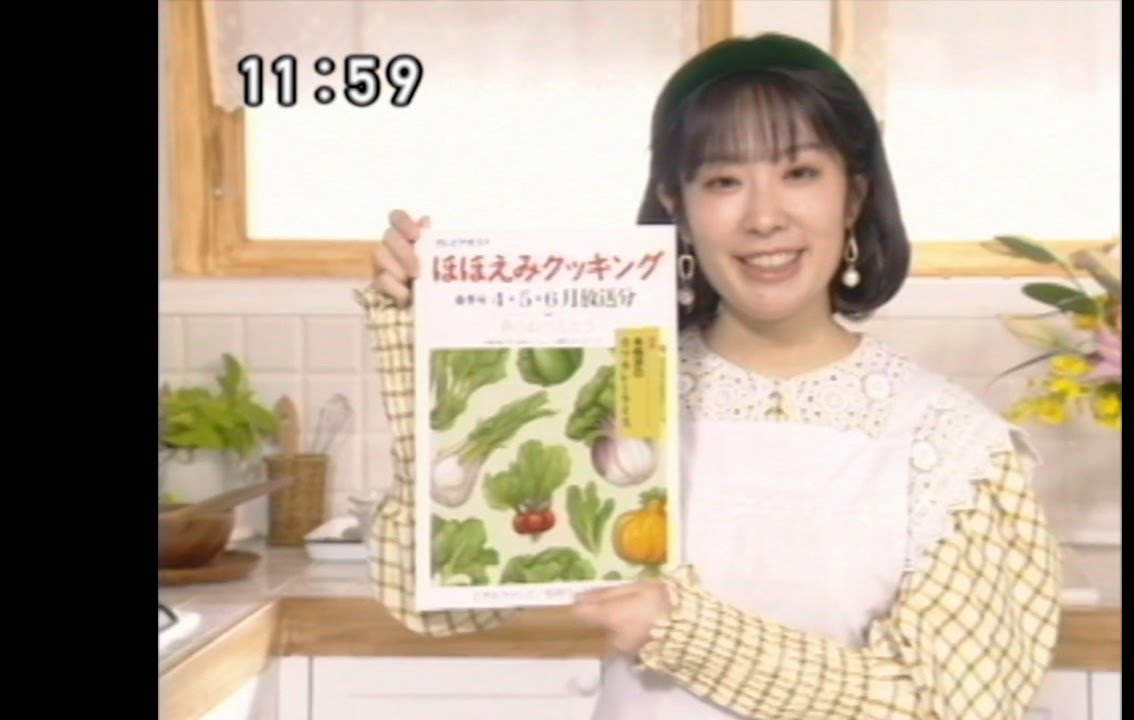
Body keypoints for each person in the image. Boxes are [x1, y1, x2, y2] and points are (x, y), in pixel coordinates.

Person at [357, 32, 1062, 720]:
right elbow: (433, 603)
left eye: (800, 173)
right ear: (679, 207)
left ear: (853, 196)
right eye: (724, 181)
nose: (764, 217)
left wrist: (686, 632)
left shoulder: (950, 446)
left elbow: (949, 707)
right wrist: (423, 334)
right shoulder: (614, 395)